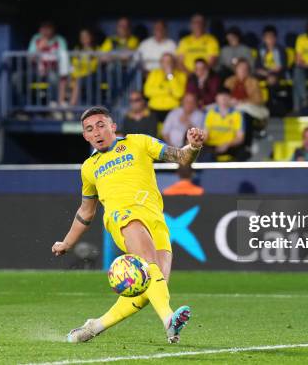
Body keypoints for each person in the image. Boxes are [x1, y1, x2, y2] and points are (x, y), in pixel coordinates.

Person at [52, 106, 205, 344]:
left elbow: (181, 157)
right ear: (85, 136)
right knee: (149, 265)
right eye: (90, 129)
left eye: (101, 125)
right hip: (122, 218)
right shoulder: (89, 168)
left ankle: (94, 326)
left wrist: (193, 147)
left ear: (113, 127)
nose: (96, 132)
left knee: (152, 288)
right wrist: (67, 242)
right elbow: (86, 211)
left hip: (155, 218)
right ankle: (169, 322)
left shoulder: (139, 143)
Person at [28, 21, 69, 111]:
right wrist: (39, 48)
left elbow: (63, 57)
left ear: (53, 30)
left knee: (53, 76)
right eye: (43, 29)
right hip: (37, 70)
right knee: (17, 78)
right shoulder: (36, 39)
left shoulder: (59, 40)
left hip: (55, 69)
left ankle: (53, 102)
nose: (45, 31)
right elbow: (30, 58)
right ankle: (23, 108)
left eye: (48, 28)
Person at [202, 90, 245, 161]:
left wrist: (227, 144)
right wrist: (197, 141)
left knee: (243, 153)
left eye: (226, 97)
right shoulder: (210, 113)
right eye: (221, 97)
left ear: (230, 99)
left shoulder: (238, 114)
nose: (224, 100)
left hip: (230, 147)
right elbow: (205, 134)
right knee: (203, 153)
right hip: (212, 146)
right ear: (216, 98)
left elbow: (240, 138)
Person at [143, 53, 187, 122]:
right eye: (164, 61)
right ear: (161, 63)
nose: (167, 64)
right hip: (154, 108)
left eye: (169, 62)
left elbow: (179, 94)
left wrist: (170, 76)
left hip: (172, 109)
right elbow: (147, 92)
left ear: (173, 63)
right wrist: (168, 91)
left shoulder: (181, 75)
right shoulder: (154, 73)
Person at [223, 59, 269, 123]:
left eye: (245, 68)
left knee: (244, 109)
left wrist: (241, 101)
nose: (243, 70)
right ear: (236, 69)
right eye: (240, 68)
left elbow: (258, 100)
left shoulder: (253, 82)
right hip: (231, 105)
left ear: (248, 70)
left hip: (247, 107)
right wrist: (230, 101)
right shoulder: (229, 80)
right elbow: (223, 95)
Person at [67, 28, 99, 120]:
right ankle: (61, 107)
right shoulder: (77, 50)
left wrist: (81, 69)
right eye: (82, 37)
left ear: (91, 37)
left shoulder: (96, 50)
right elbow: (74, 64)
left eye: (86, 36)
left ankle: (70, 108)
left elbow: (93, 66)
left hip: (90, 77)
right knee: (64, 79)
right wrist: (74, 75)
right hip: (76, 76)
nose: (84, 38)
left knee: (79, 81)